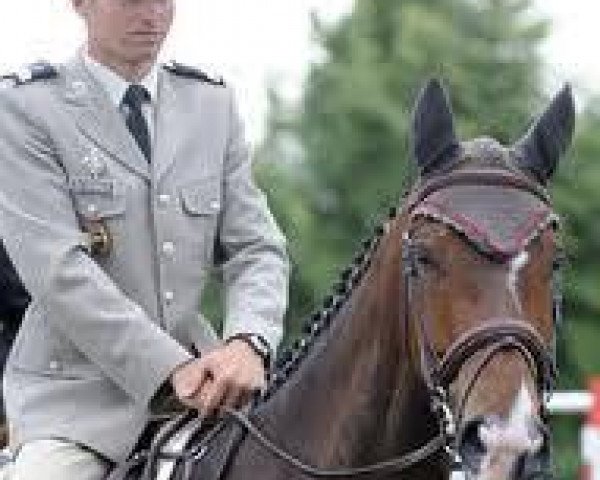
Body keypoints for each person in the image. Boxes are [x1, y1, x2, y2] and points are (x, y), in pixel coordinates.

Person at [0, 0, 289, 478]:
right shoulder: (26, 107)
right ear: (81, 4)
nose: (152, 14)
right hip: (76, 403)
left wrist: (248, 342)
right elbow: (58, 272)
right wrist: (171, 369)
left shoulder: (211, 104)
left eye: (164, 0)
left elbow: (257, 248)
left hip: (209, 392)